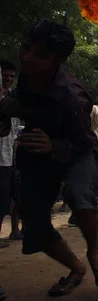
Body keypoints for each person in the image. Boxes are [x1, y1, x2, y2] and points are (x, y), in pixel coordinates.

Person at [0, 20, 98, 296]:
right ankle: (76, 268)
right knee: (35, 223)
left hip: (76, 151)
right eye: (25, 48)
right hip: (37, 152)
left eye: (39, 55)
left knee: (79, 195)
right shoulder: (27, 76)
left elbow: (83, 142)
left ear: (56, 60)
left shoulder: (73, 96)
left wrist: (53, 144)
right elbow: (19, 102)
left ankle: (94, 250)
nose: (26, 57)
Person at [0, 60, 22, 244]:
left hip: (11, 155)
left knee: (17, 195)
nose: (7, 79)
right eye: (4, 75)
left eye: (10, 76)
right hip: (1, 158)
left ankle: (16, 230)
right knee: (2, 197)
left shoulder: (14, 98)